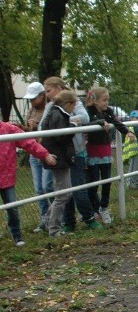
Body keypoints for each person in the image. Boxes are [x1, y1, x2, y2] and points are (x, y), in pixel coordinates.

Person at [39, 77, 104, 232]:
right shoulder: (51, 108)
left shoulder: (74, 102)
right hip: (61, 154)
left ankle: (88, 217)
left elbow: (84, 117)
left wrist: (68, 121)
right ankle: (66, 222)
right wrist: (68, 123)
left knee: (76, 188)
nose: (47, 95)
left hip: (76, 151)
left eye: (49, 91)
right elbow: (44, 126)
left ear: (59, 88)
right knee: (64, 191)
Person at [0, 121, 56, 246]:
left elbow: (29, 142)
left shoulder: (9, 129)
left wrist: (45, 155)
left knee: (12, 209)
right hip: (6, 176)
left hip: (6, 177)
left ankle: (17, 235)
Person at [85, 87, 130, 225]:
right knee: (93, 182)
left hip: (105, 151)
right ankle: (94, 208)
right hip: (92, 151)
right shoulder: (89, 112)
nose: (107, 103)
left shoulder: (108, 112)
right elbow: (86, 124)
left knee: (107, 180)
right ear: (95, 101)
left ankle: (104, 207)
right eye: (104, 100)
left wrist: (127, 132)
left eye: (107, 100)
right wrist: (99, 122)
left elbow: (116, 122)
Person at [41, 89, 79, 237]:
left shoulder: (55, 113)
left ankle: (48, 221)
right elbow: (61, 137)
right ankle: (54, 229)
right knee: (63, 194)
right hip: (59, 158)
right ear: (68, 103)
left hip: (59, 157)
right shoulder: (58, 115)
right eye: (74, 105)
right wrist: (73, 126)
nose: (74, 109)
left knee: (64, 193)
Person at [19, 82, 51, 231]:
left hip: (46, 151)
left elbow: (48, 129)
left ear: (43, 95)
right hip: (34, 153)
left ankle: (56, 214)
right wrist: (23, 128)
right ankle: (44, 217)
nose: (31, 101)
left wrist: (37, 126)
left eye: (34, 98)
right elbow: (30, 131)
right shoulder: (31, 110)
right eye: (30, 99)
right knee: (39, 188)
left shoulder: (49, 108)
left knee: (47, 186)